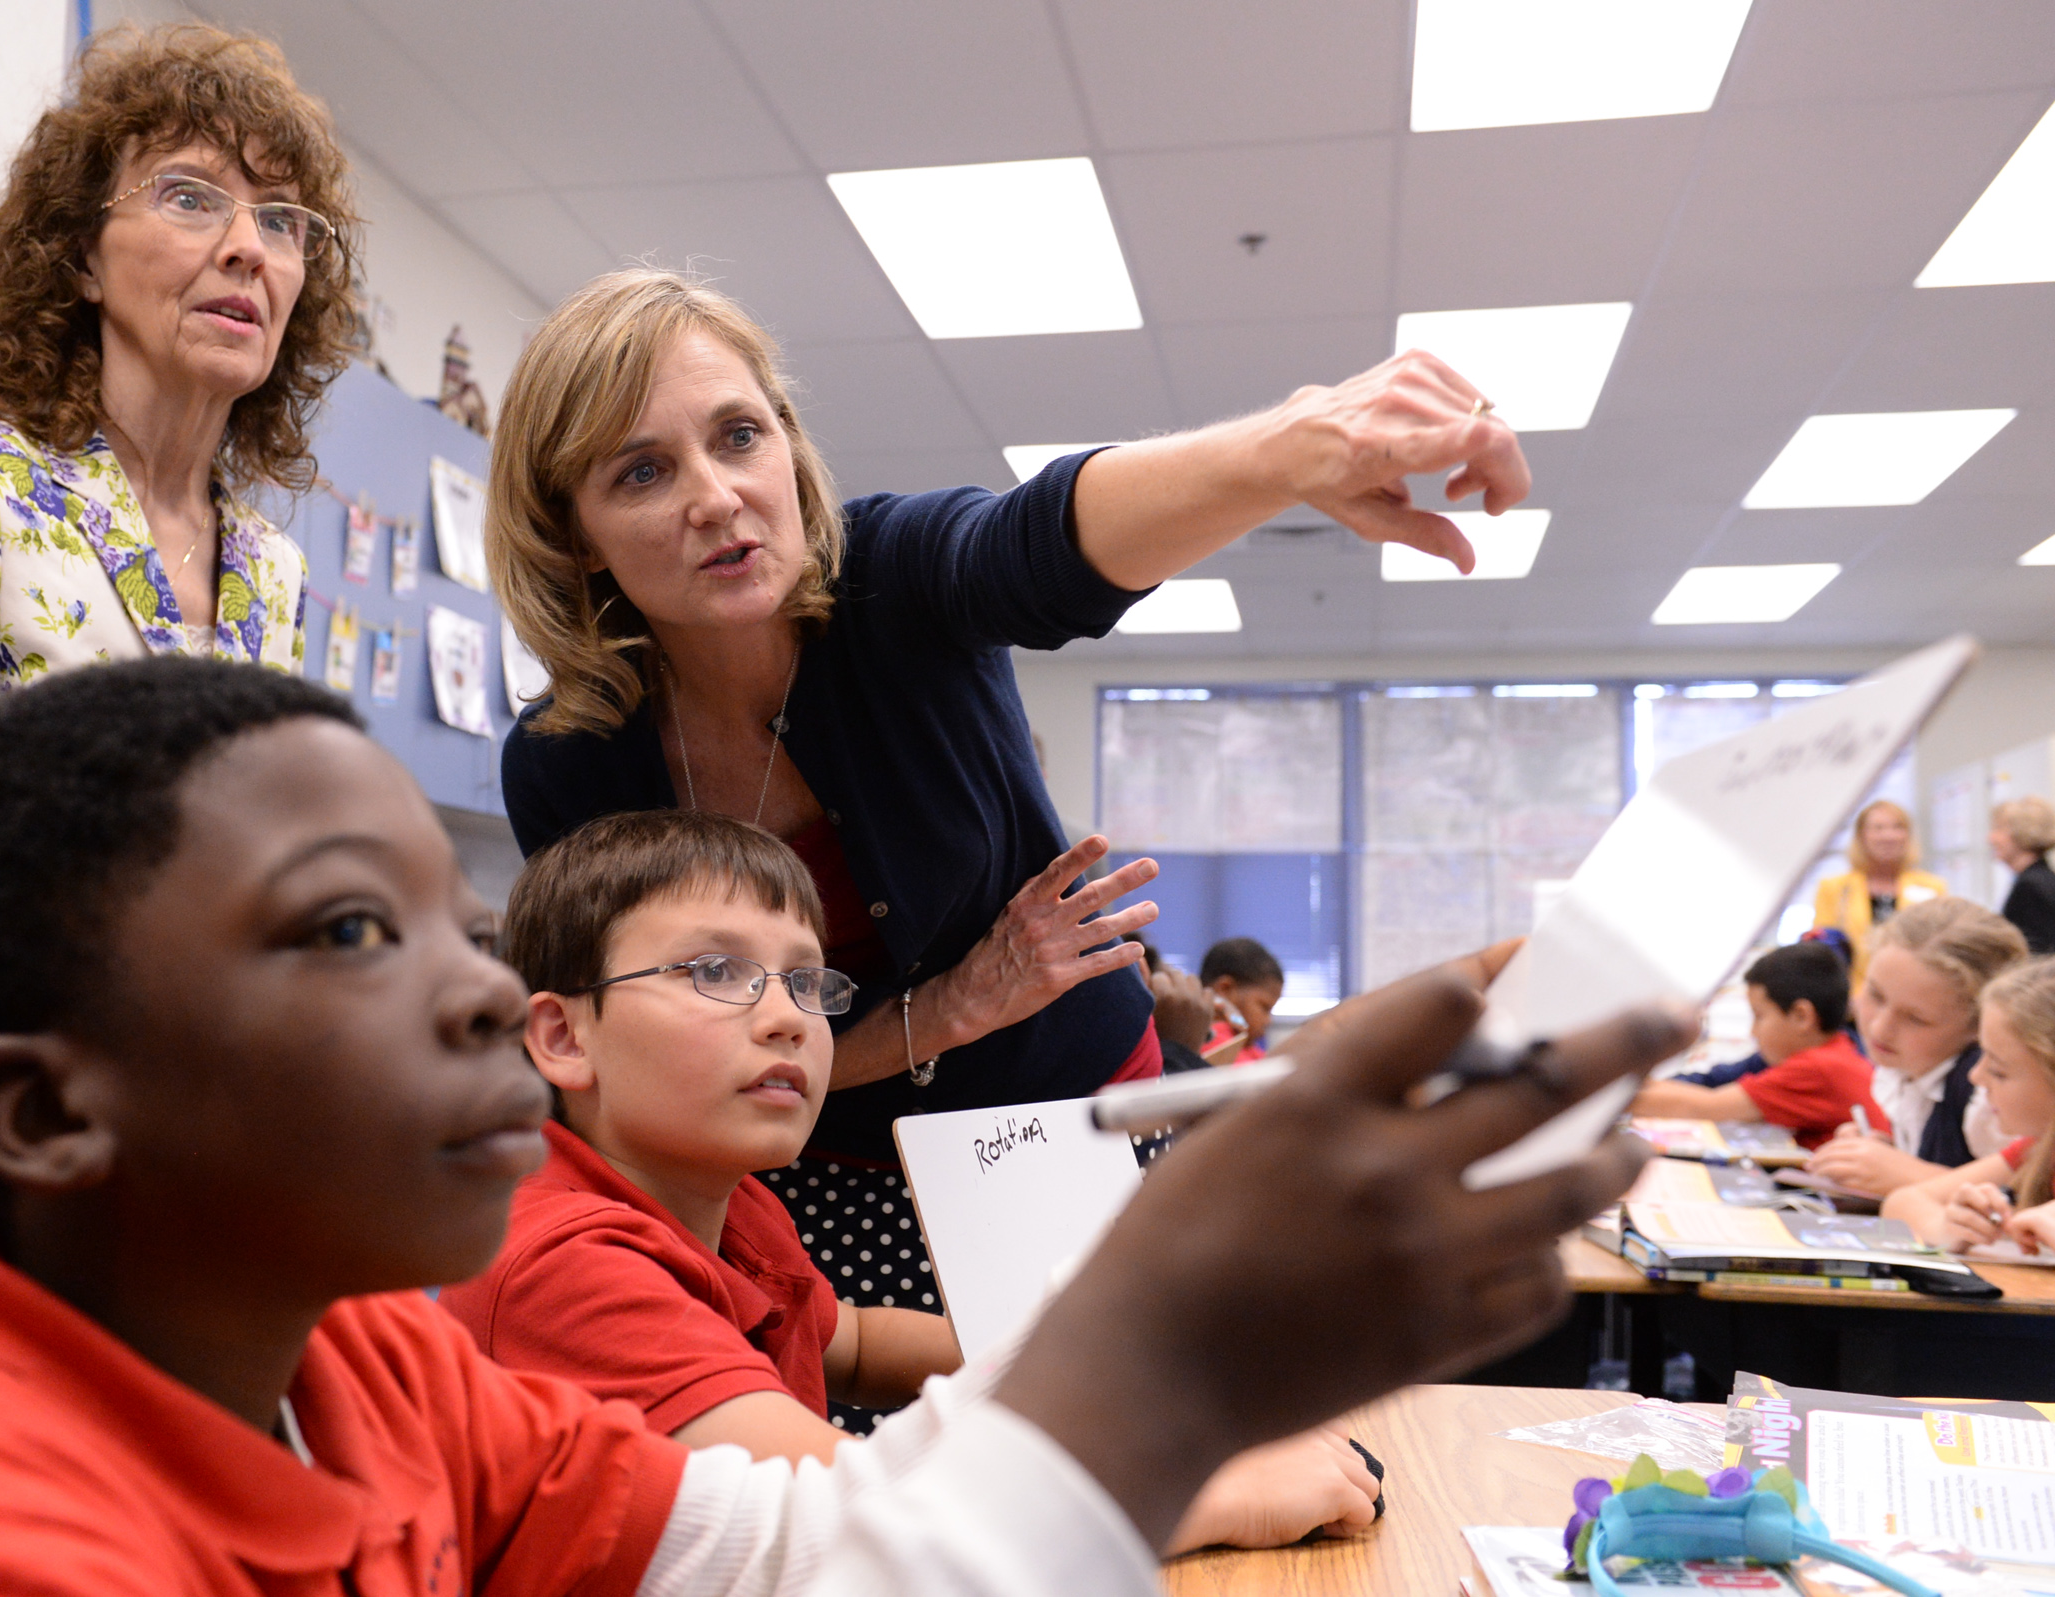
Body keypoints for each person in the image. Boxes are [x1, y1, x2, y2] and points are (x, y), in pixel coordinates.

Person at [0, 657, 1688, 1593]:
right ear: (51, 1110)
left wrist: (1178, 1343)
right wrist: (1173, 1352)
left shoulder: (375, 1359)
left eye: (450, 919)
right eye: (344, 929)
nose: (480, 988)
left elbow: (814, 1549)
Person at [488, 268, 1530, 1300]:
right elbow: (636, 1063)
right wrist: (942, 1012)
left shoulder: (893, 582)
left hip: (1062, 1118)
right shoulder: (571, 762)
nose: (716, 498)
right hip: (806, 1175)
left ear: (787, 441)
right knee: (869, 1449)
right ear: (575, 537)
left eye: (738, 435)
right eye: (641, 473)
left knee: (1125, 1430)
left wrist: (1285, 450)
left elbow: (1032, 547)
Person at [0, 22, 355, 1416]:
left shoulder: (270, 574)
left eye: (283, 220)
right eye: (192, 195)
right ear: (79, 257)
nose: (248, 248)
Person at [446, 808, 1382, 1553]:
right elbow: (838, 1527)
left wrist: (1118, 1373)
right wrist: (1187, 1485)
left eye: (809, 983)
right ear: (565, 1036)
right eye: (718, 970)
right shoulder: (563, 1262)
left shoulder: (730, 1205)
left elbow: (852, 1339)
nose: (788, 1019)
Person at [1805, 898, 2028, 1196]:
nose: (1879, 1028)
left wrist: (1907, 1174)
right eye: (1875, 995)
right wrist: (1884, 1156)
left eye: (1916, 1019)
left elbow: (2027, 1198)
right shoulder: (1904, 1069)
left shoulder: (1986, 1098)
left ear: (1977, 1027)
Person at [1629, 943, 1881, 1149]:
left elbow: (1704, 1107)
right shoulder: (1837, 1052)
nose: (1753, 1031)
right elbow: (1703, 1095)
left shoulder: (1819, 1068)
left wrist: (1609, 1095)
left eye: (1759, 1016)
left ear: (1801, 1016)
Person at [1880, 958, 2055, 1252]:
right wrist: (1951, 1226)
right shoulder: (2039, 1150)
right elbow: (1902, 1203)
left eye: (1999, 1070)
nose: (1976, 1076)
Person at [1811, 800, 1946, 991]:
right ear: (1861, 836)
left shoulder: (1933, 887)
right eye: (1878, 828)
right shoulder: (1834, 888)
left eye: (1897, 827)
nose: (1888, 836)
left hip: (1913, 995)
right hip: (1851, 1002)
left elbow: (1940, 948)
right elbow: (1823, 952)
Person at [1202, 937, 1287, 1064]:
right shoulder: (1212, 1039)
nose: (1268, 1021)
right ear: (1224, 990)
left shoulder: (1246, 1045)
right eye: (1264, 1007)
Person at [1990, 796, 2055, 956]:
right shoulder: (2040, 878)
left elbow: (2037, 955)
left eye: (1999, 829)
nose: (1991, 838)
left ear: (2022, 832)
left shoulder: (2031, 886)